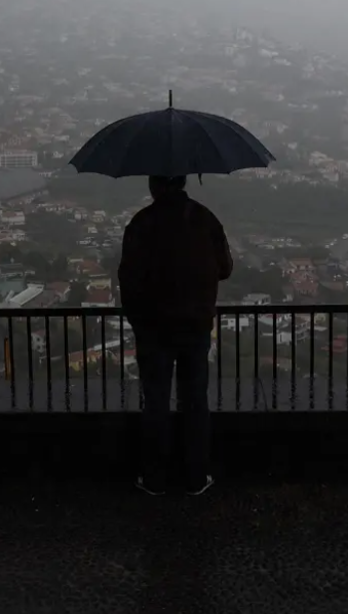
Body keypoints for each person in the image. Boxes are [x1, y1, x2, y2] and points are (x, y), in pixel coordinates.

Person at [118, 175, 233, 496]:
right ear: (183, 182)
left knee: (155, 401)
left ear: (153, 186)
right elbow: (225, 268)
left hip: (153, 328)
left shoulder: (142, 223)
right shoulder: (205, 218)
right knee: (195, 400)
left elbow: (128, 277)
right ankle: (195, 476)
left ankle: (154, 477)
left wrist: (138, 320)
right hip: (195, 326)